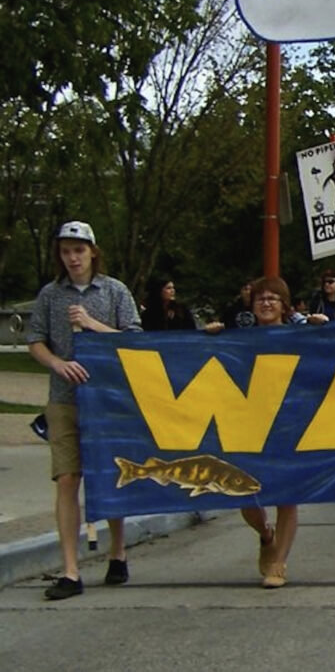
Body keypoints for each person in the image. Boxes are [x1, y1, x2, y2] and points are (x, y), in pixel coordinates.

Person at [28, 221, 141, 601]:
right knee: (66, 478)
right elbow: (35, 340)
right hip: (64, 397)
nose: (72, 257)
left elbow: (134, 340)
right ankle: (71, 569)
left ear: (92, 251)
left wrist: (93, 324)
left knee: (111, 473)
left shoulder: (115, 291)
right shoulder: (50, 294)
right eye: (65, 251)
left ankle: (117, 552)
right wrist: (57, 363)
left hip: (107, 397)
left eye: (78, 250)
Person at [228, 276, 304, 588]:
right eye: (261, 298)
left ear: (284, 305)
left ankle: (280, 563)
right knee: (245, 495)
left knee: (288, 497)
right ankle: (266, 535)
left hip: (290, 424)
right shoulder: (238, 340)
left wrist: (320, 326)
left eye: (274, 298)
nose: (267, 302)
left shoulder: (300, 337)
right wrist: (210, 338)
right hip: (249, 425)